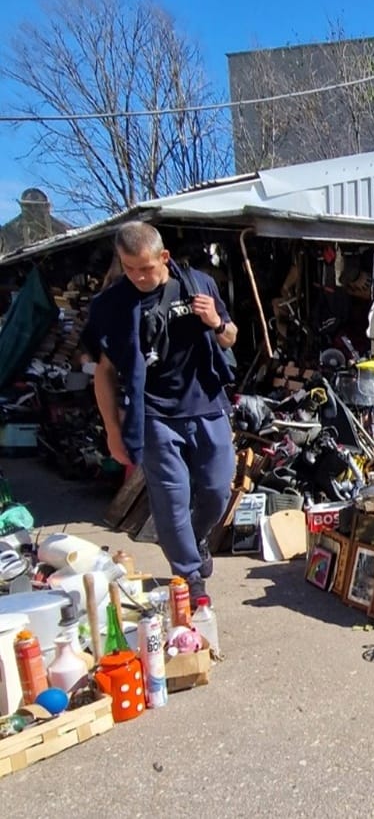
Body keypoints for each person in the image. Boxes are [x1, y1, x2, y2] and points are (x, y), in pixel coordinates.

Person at [82, 222, 237, 607]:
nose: (137, 276)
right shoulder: (111, 305)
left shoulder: (198, 284)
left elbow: (231, 335)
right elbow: (104, 372)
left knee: (218, 490)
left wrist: (215, 322)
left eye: (146, 268)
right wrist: (113, 431)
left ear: (163, 257)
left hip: (206, 403)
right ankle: (189, 576)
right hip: (152, 414)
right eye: (128, 267)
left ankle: (197, 539)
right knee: (170, 500)